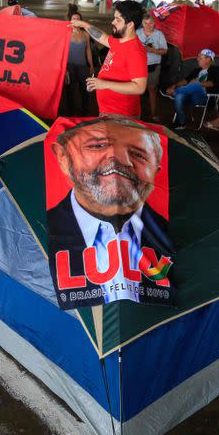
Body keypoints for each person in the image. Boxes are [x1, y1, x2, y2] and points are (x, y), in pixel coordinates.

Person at [48, 116, 173, 304]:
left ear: (155, 171)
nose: (118, 160)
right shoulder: (35, 230)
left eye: (139, 154)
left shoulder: (173, 233)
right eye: (98, 146)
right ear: (63, 157)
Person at [70, 0, 148, 118]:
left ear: (130, 24)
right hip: (109, 111)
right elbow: (102, 37)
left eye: (118, 19)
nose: (113, 22)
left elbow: (139, 87)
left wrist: (104, 84)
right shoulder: (119, 40)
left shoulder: (135, 50)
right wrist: (83, 25)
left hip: (122, 115)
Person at [165, 49, 219, 130]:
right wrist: (174, 85)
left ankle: (174, 93)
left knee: (195, 85)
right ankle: (181, 123)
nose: (197, 59)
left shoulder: (216, 69)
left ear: (208, 59)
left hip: (203, 97)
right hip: (190, 95)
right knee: (179, 96)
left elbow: (213, 83)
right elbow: (186, 80)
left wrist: (198, 83)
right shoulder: (196, 70)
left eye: (200, 57)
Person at [136, 12, 168, 121]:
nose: (148, 25)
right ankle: (136, 114)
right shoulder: (137, 33)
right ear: (142, 23)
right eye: (146, 23)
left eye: (151, 23)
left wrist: (153, 50)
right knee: (137, 89)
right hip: (138, 65)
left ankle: (153, 114)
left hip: (154, 65)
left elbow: (165, 51)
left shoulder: (159, 34)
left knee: (152, 88)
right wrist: (140, 49)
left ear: (154, 23)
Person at [65, 11, 95, 115]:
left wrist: (90, 65)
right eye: (74, 18)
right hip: (70, 66)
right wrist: (65, 69)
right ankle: (70, 113)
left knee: (85, 90)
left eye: (78, 19)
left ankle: (85, 112)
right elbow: (62, 52)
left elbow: (88, 50)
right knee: (70, 90)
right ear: (70, 20)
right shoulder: (66, 33)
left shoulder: (85, 34)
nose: (76, 21)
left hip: (82, 66)